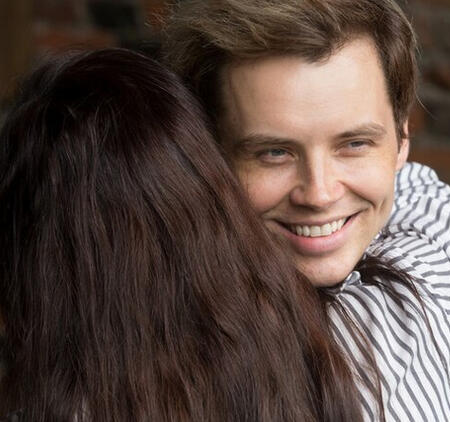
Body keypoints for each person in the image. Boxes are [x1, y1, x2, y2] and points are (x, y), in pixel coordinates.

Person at [163, 0, 450, 420]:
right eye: (274, 152)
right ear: (211, 155)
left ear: (401, 140)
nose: (319, 194)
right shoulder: (149, 331)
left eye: (353, 144)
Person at [0, 48, 363, 421]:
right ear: (210, 178)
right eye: (273, 152)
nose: (319, 194)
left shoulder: (49, 407)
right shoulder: (349, 332)